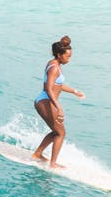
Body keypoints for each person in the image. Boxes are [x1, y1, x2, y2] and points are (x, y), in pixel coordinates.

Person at [32, 35, 84, 169]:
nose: (69, 59)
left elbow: (58, 86)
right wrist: (59, 107)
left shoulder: (54, 64)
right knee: (61, 133)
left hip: (45, 101)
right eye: (67, 56)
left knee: (56, 131)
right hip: (45, 101)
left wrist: (74, 91)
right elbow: (49, 89)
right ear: (59, 55)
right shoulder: (54, 68)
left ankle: (37, 154)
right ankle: (53, 164)